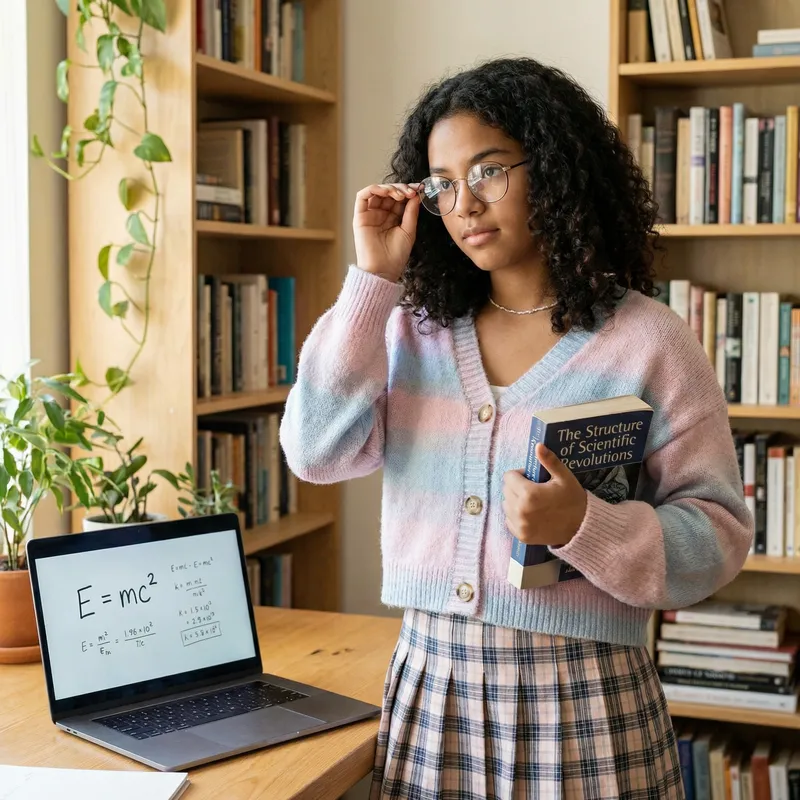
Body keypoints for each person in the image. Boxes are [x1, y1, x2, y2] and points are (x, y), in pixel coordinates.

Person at [279, 57, 753, 799]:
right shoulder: (408, 333)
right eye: (441, 184)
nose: (464, 202)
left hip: (590, 705)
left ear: (557, 169)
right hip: (436, 695)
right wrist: (374, 279)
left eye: (489, 170)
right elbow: (315, 453)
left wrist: (588, 525)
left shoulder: (650, 341)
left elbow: (717, 536)